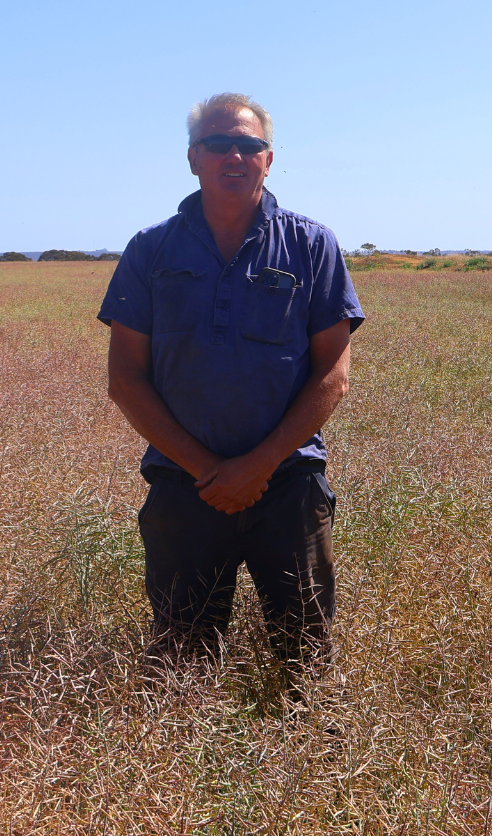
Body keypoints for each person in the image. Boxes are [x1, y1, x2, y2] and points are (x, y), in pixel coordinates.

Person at [98, 93, 364, 685]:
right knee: (181, 664)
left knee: (308, 660)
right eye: (220, 145)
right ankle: (178, 770)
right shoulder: (151, 250)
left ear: (270, 160)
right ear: (194, 158)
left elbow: (332, 376)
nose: (235, 156)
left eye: (250, 146)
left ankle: (314, 765)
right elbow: (125, 379)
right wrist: (209, 471)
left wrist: (257, 466)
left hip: (290, 484)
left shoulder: (312, 246)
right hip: (182, 487)